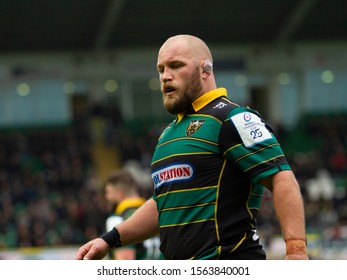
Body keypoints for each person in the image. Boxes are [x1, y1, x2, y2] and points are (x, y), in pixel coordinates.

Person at [75, 34, 308, 260]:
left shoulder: (233, 118)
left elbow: (281, 179)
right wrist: (109, 239)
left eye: (176, 65)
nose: (166, 76)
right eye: (161, 69)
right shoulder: (167, 134)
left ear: (205, 69)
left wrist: (296, 250)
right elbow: (162, 205)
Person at [104, 169, 161, 259]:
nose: (106, 197)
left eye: (108, 193)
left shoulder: (117, 220)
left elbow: (125, 261)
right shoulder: (158, 214)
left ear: (120, 194)